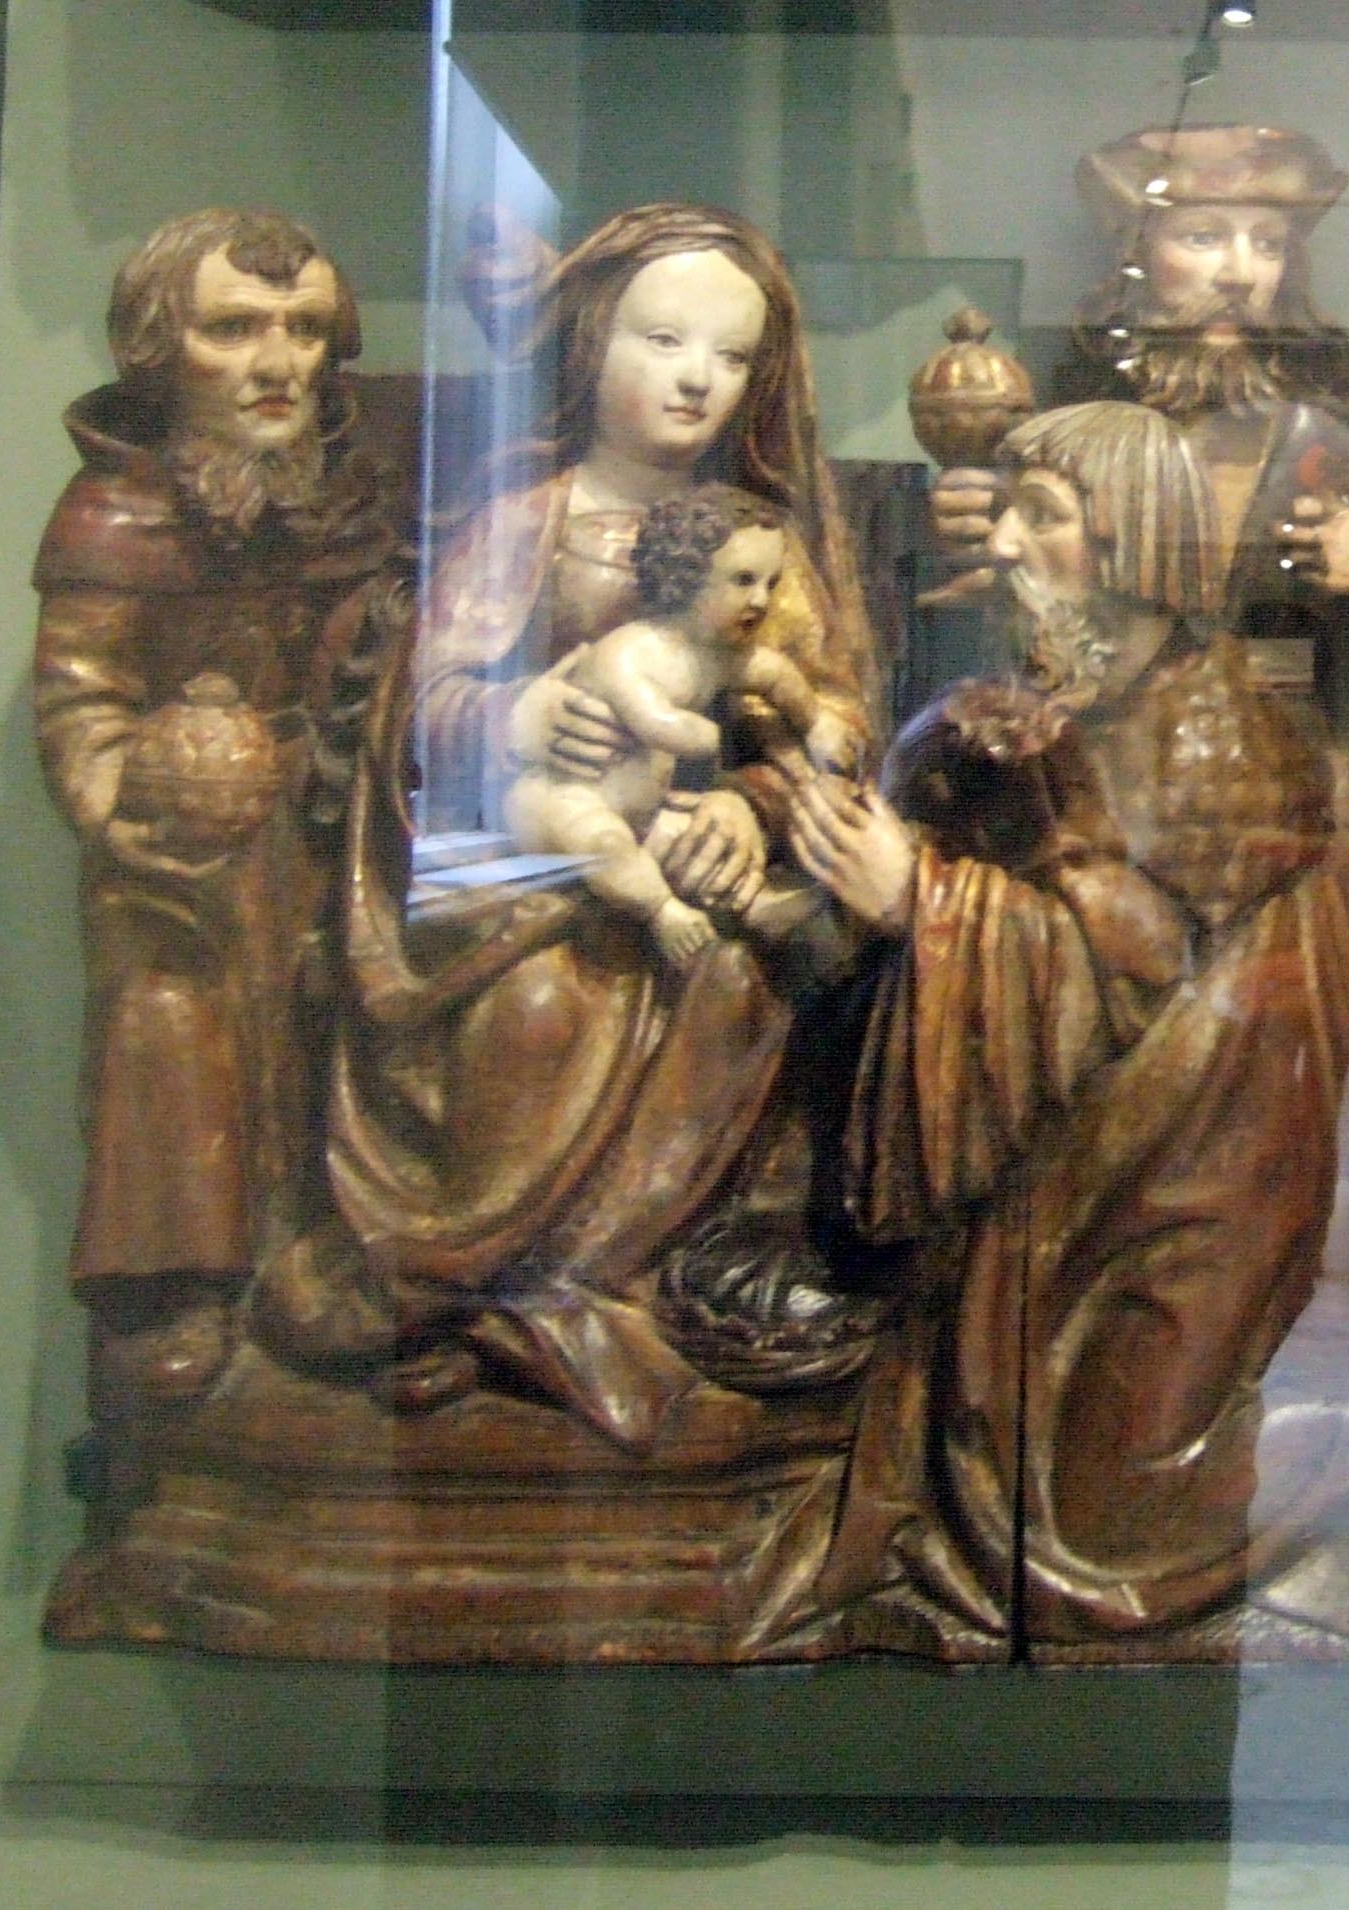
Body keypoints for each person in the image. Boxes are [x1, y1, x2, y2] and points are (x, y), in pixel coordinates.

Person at [783, 401, 1349, 1656]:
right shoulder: (1093, 691)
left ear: (1131, 540)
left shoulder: (1213, 734)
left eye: (1044, 517)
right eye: (1009, 511)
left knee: (1107, 1510)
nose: (1007, 543)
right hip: (1123, 1154)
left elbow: (1125, 960)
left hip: (1208, 1177)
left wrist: (918, 899)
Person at [277, 204, 882, 1444]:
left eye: (730, 355)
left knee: (740, 983)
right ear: (591, 340)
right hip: (523, 857)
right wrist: (514, 712)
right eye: (662, 340)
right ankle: (475, 1284)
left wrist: (748, 808)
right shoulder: (527, 520)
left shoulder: (761, 547)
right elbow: (421, 703)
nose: (696, 378)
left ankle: (619, 1278)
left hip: (688, 860)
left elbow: (827, 721)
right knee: (540, 1005)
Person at [31, 208, 394, 1409]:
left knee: (351, 997)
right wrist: (116, 805)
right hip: (178, 841)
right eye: (233, 330)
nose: (277, 361)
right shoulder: (111, 513)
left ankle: (331, 1248)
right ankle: (178, 1277)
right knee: (169, 1017)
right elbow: (82, 692)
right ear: (159, 350)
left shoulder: (351, 493)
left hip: (329, 806)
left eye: (304, 329)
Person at [930, 124, 1349, 817]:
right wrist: (979, 532)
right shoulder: (1069, 438)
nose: (1240, 274)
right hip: (1106, 788)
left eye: (1268, 244)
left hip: (1290, 794)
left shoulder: (1339, 453)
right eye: (1203, 237)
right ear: (1136, 258)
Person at [502, 484, 858, 965]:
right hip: (563, 799)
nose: (761, 600)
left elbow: (773, 674)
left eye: (771, 584)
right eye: (744, 580)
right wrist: (706, 736)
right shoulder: (632, 650)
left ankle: (758, 908)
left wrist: (815, 722)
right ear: (688, 577)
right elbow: (654, 722)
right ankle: (663, 912)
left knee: (695, 845)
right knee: (605, 845)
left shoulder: (713, 653)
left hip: (644, 809)